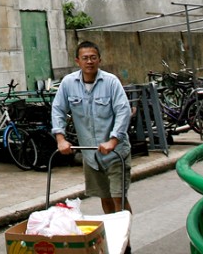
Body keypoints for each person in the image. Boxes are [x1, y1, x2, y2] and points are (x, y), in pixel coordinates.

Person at [51, 41, 133, 252]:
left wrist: (113, 140)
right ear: (77, 61)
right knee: (105, 198)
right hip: (91, 155)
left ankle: (125, 246)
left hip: (116, 153)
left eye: (93, 57)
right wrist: (61, 139)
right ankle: (112, 241)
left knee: (119, 199)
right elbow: (58, 109)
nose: (89, 61)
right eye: (85, 58)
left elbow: (123, 111)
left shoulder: (111, 82)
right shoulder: (68, 83)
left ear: (99, 60)